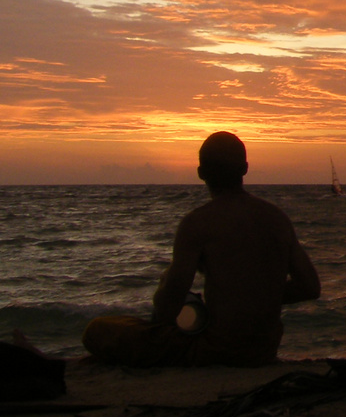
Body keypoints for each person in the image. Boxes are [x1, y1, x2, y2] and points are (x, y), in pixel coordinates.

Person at [82, 132, 321, 367]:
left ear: (201, 173)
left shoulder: (198, 223)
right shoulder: (277, 218)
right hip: (264, 350)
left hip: (217, 350)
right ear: (245, 168)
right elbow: (310, 287)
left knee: (99, 330)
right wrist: (258, 297)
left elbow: (171, 300)